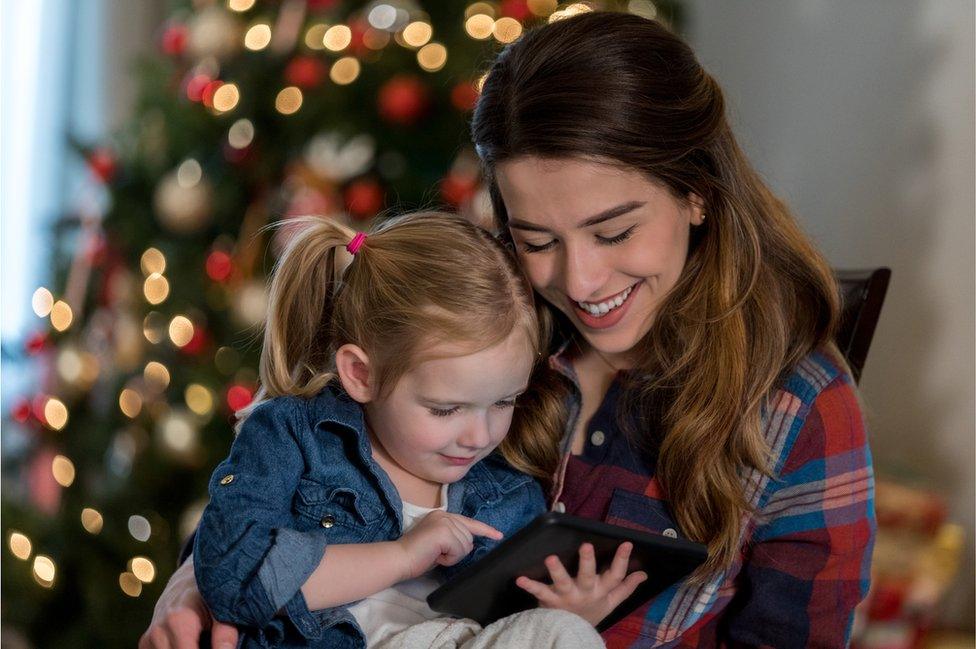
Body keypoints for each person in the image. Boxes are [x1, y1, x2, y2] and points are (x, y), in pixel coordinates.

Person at [142, 12, 875, 649]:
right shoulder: (479, 320)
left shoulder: (795, 407)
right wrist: (191, 585)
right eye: (537, 238)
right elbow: (297, 469)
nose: (580, 282)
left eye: (614, 231)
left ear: (697, 194)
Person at [181, 212, 645, 649]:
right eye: (445, 409)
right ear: (362, 375)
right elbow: (232, 575)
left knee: (565, 634)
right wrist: (403, 556)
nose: (479, 436)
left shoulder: (506, 492)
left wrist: (569, 612)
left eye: (504, 402)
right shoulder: (291, 436)